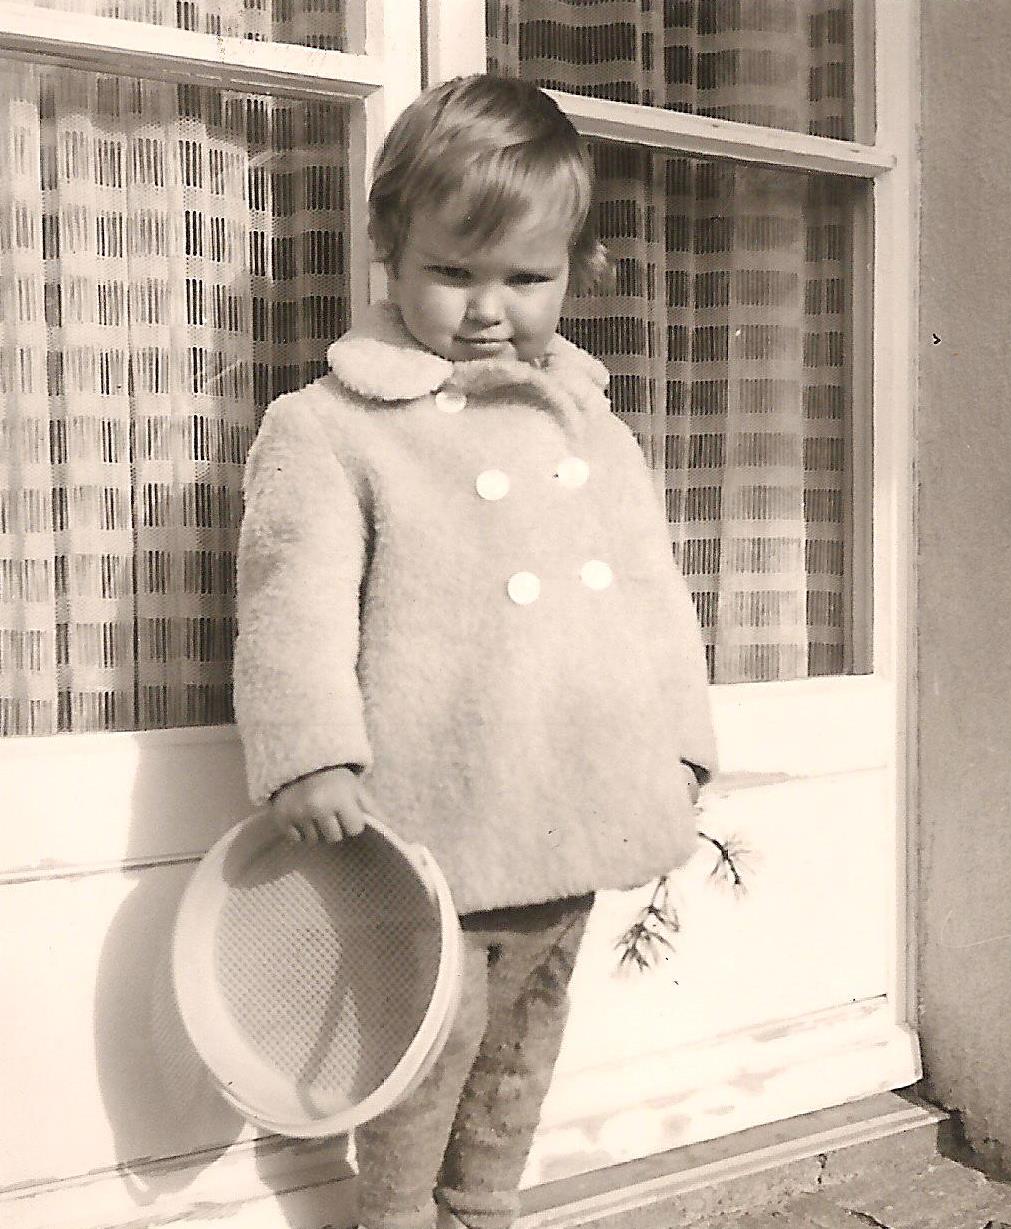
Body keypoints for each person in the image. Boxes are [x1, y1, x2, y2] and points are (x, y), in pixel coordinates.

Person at [231, 74, 717, 1229]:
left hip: (571, 793)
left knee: (527, 1032)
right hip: (433, 810)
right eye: (453, 272)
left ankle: (485, 1205)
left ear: (576, 269)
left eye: (526, 278)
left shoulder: (591, 426)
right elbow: (293, 602)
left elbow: (651, 596)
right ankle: (397, 1214)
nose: (489, 308)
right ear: (389, 253)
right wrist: (310, 753)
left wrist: (682, 745)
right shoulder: (336, 425)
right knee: (422, 1038)